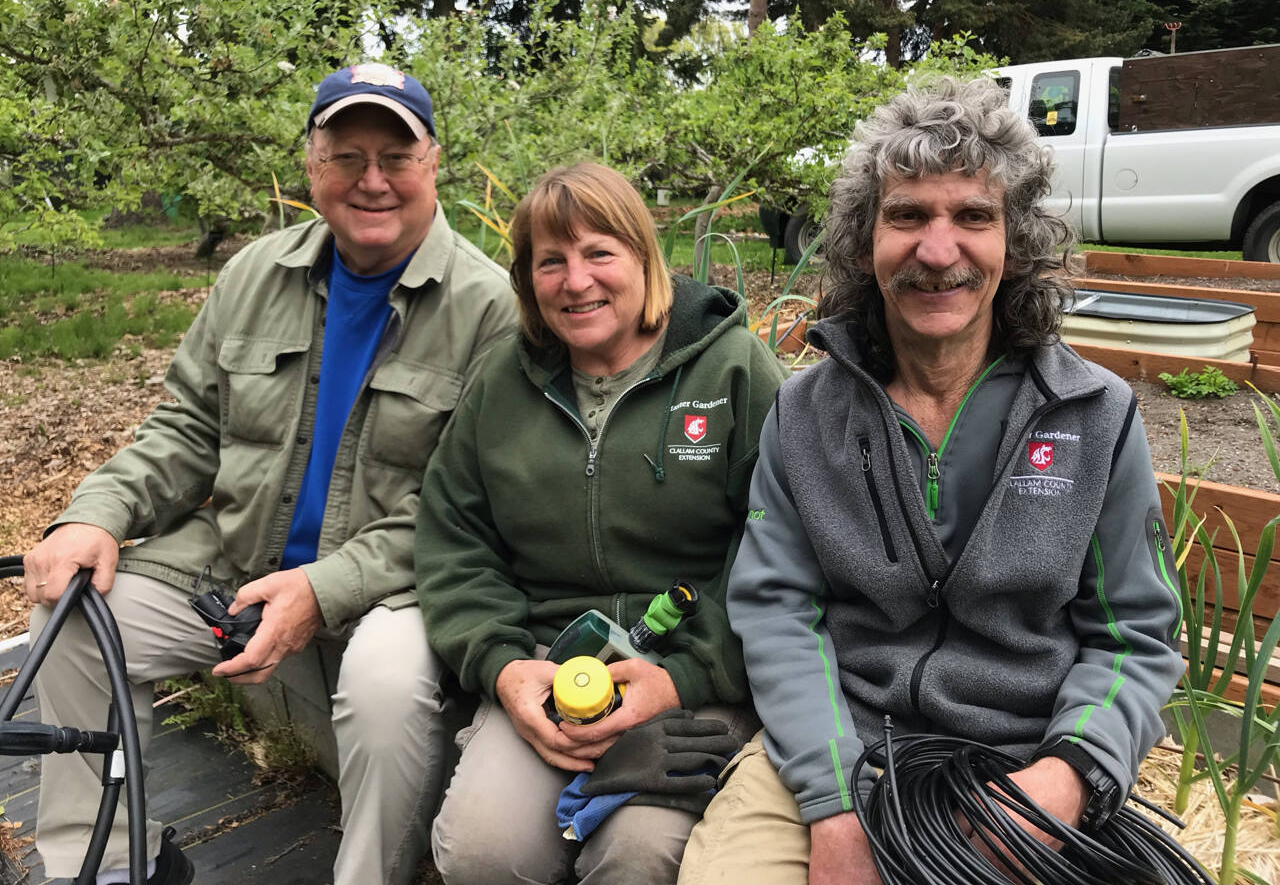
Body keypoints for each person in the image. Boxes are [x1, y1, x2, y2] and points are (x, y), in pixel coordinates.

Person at [679, 77, 1185, 885]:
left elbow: (1135, 635)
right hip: (836, 744)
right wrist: (833, 806)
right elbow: (779, 615)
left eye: (973, 217)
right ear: (863, 240)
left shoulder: (1094, 416)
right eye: (907, 214)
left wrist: (1062, 779)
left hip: (1023, 756)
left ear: (1014, 243)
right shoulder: (806, 413)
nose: (938, 251)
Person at [22, 63, 518, 885]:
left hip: (392, 584)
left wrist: (322, 590)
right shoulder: (255, 274)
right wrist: (95, 513)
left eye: (395, 157)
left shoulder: (490, 308)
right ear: (311, 163)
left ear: (434, 163)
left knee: (388, 692)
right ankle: (108, 866)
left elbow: (460, 510)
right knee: (72, 621)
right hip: (234, 560)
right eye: (346, 155)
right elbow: (185, 428)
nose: (372, 180)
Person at [413, 162, 788, 885]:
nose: (575, 280)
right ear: (526, 282)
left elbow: (782, 542)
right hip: (548, 671)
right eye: (550, 261)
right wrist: (503, 665)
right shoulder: (502, 383)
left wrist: (684, 675)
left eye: (599, 253)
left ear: (644, 258)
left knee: (638, 855)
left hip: (695, 676)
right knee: (483, 852)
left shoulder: (733, 370)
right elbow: (455, 537)